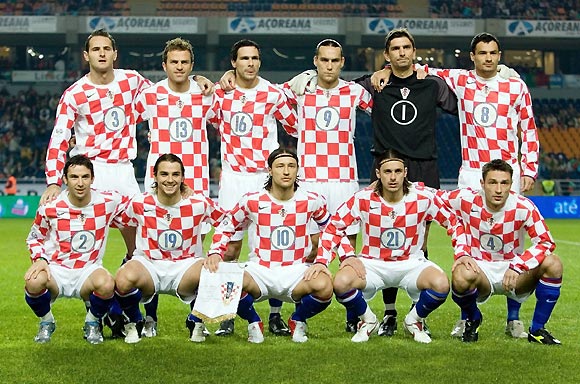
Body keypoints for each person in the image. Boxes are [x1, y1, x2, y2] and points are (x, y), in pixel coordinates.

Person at [372, 32, 539, 338]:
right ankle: (466, 315)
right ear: (472, 56)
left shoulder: (515, 85)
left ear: (499, 55)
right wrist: (383, 71)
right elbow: (416, 69)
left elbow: (527, 128)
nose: (488, 58)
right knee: (466, 242)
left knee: (513, 242)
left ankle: (513, 317)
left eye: (493, 53)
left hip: (507, 172)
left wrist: (529, 168)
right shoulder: (460, 80)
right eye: (482, 53)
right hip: (472, 173)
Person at [352, 28, 457, 336]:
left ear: (414, 51)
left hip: (425, 166)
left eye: (406, 47)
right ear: (387, 55)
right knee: (384, 239)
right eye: (394, 48)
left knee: (418, 242)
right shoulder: (375, 84)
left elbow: (460, 104)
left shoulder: (430, 84)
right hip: (386, 165)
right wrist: (375, 74)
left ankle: (416, 312)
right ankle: (388, 312)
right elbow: (341, 90)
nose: (401, 52)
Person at [319, 149, 458, 344]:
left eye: (398, 171)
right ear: (378, 173)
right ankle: (368, 321)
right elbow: (333, 227)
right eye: (387, 172)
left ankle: (413, 321)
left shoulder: (423, 197)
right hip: (372, 264)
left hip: (411, 263)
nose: (393, 177)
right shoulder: (363, 199)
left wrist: (462, 255)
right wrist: (339, 258)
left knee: (441, 284)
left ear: (405, 172)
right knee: (341, 283)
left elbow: (454, 222)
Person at [195, 148, 333, 343]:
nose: (286, 172)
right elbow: (227, 226)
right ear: (269, 170)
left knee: (326, 286)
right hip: (260, 270)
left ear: (297, 170)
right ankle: (253, 322)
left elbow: (332, 229)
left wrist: (322, 261)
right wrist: (216, 252)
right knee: (224, 278)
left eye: (291, 166)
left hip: (296, 272)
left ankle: (298, 320)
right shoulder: (252, 200)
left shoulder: (312, 200)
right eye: (280, 166)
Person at [210, 39, 299, 337]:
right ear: (233, 63)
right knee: (230, 247)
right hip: (234, 178)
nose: (250, 63)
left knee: (274, 247)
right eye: (244, 58)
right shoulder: (222, 95)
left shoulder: (272, 94)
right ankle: (227, 313)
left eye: (255, 58)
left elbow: (296, 126)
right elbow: (199, 109)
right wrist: (207, 80)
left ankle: (275, 314)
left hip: (265, 178)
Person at [134, 37, 216, 337]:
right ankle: (150, 318)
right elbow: (120, 124)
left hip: (196, 181)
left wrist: (213, 80)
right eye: (174, 62)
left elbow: (232, 115)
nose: (179, 67)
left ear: (191, 66)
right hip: (159, 181)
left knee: (196, 251)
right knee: (151, 249)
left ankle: (196, 319)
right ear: (164, 65)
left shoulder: (207, 95)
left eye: (184, 62)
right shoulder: (151, 96)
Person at [442, 159, 563, 344]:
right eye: (492, 182)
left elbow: (545, 242)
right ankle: (474, 318)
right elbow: (432, 199)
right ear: (482, 184)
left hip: (515, 274)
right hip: (480, 271)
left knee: (553, 264)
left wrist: (518, 265)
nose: (498, 190)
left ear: (511, 184)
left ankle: (537, 329)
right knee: (459, 275)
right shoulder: (465, 198)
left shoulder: (524, 206)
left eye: (504, 183)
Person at [114, 154, 226, 344]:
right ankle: (135, 320)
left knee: (216, 272)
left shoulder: (198, 203)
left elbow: (227, 222)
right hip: (149, 265)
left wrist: (216, 251)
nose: (170, 179)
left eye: (175, 174)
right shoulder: (140, 203)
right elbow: (114, 218)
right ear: (154, 175)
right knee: (123, 279)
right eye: (164, 174)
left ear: (183, 177)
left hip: (186, 267)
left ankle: (195, 321)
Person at [24, 155, 129, 344]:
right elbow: (34, 238)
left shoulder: (108, 201)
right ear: (64, 179)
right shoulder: (50, 207)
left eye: (85, 177)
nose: (80, 183)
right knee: (33, 282)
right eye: (74, 177)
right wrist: (40, 259)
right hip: (56, 270)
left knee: (106, 284)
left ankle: (92, 323)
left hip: (88, 270)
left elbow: (141, 206)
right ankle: (46, 322)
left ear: (92, 178)